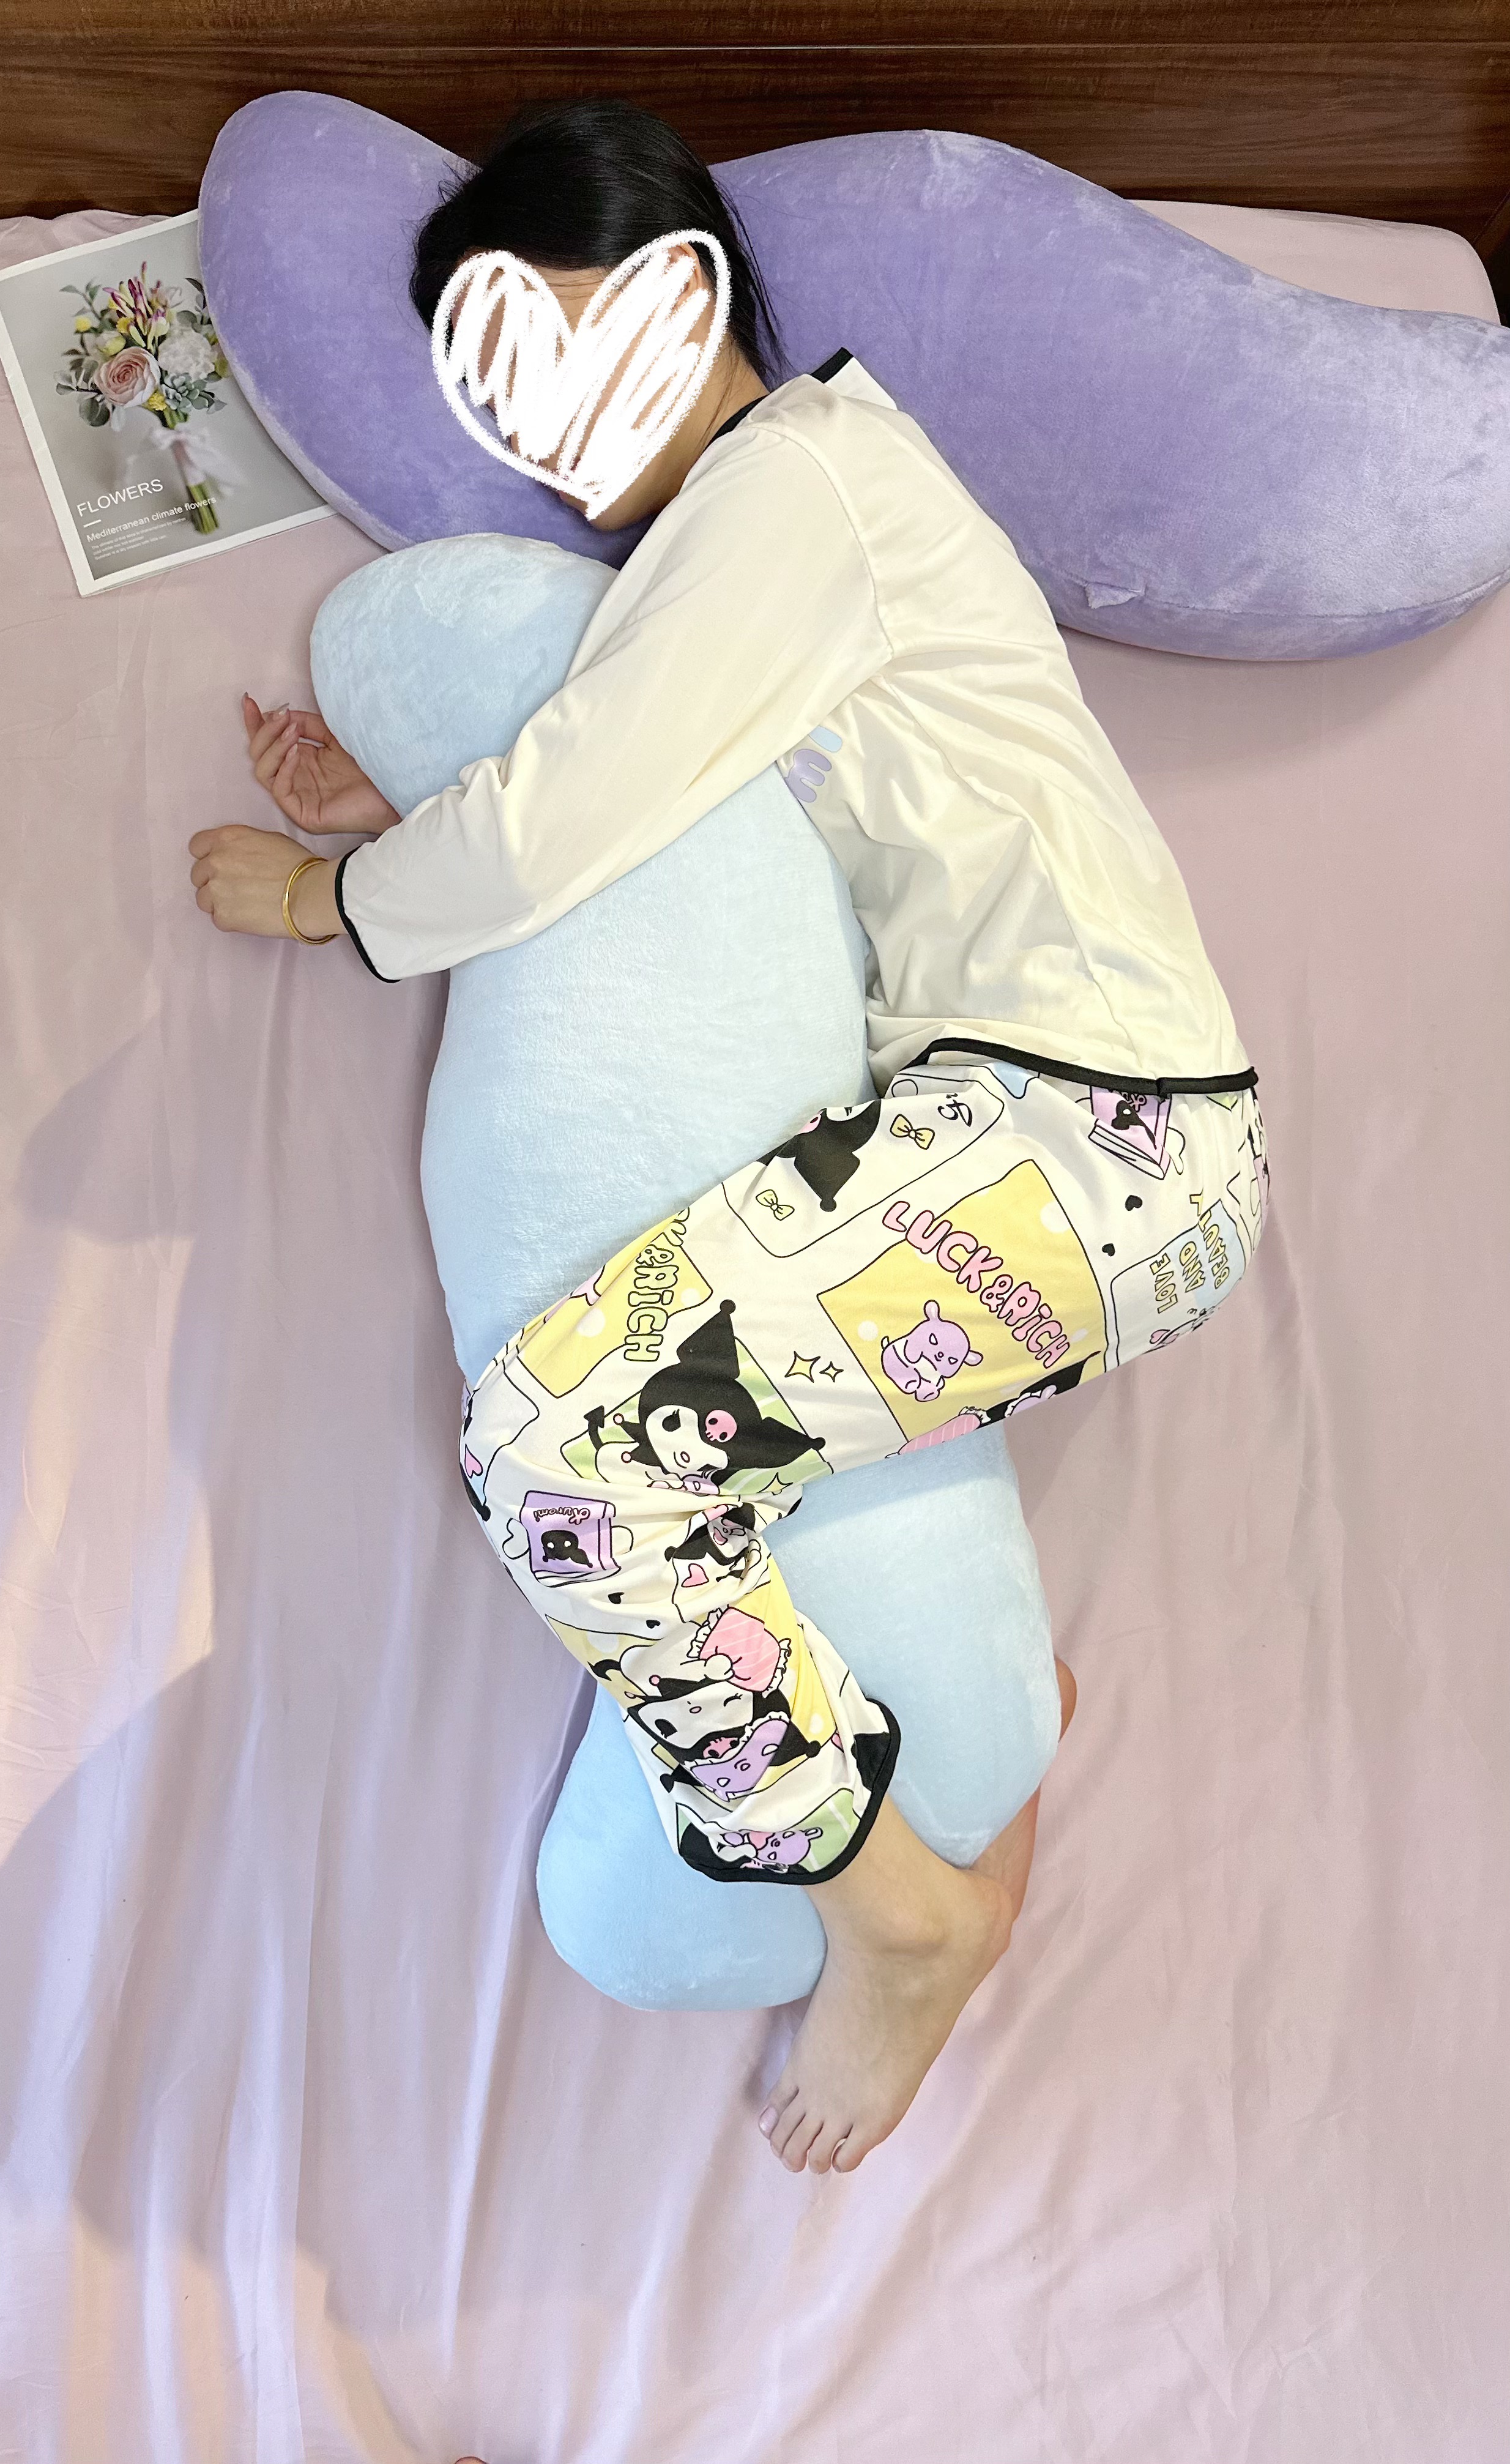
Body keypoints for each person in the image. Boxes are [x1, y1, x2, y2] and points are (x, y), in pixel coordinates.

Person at [187, 97, 1267, 2178]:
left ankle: (899, 1918)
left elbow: (582, 806)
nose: (543, 427)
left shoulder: (799, 487)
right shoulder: (764, 535)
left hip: (1099, 1132)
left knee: (564, 1457)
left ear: (676, 290)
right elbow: (680, 820)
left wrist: (334, 899)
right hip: (1038, 1135)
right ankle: (983, 1780)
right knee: (691, 1469)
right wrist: (408, 803)